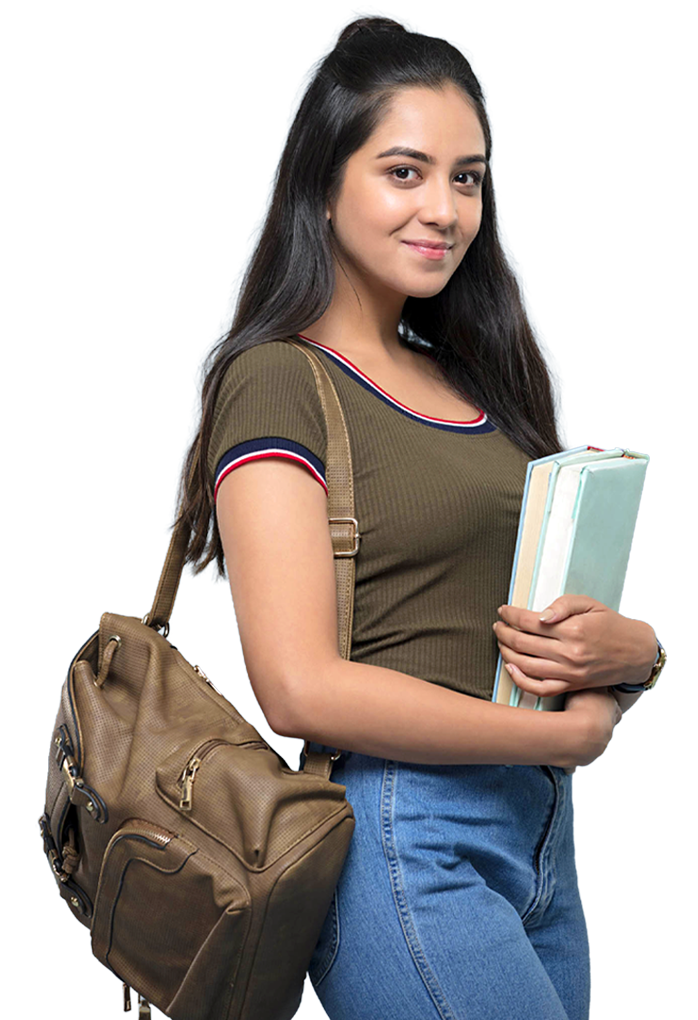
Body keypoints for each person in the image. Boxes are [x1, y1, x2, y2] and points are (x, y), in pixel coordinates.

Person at [172, 11, 665, 1020]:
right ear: (323, 182)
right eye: (404, 171)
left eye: (466, 177)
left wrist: (628, 658)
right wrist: (551, 741)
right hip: (405, 837)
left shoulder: (477, 381)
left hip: (535, 843)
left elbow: (526, 634)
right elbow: (297, 687)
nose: (442, 208)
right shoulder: (278, 381)